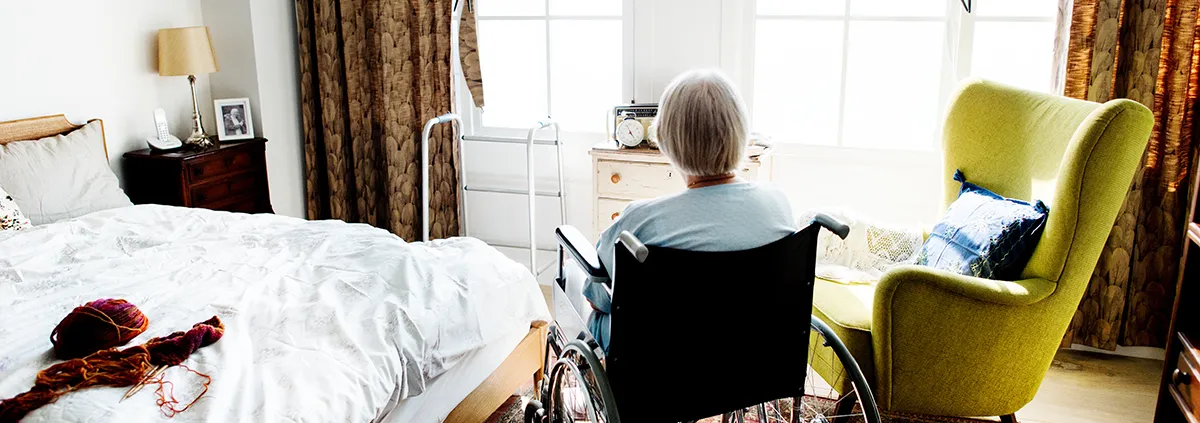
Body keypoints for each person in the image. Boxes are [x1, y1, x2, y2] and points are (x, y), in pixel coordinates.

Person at [573, 69, 796, 352]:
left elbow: (599, 298)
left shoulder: (639, 222)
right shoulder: (778, 204)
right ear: (742, 134)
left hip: (662, 358)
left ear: (664, 140)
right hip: (752, 352)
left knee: (578, 286)